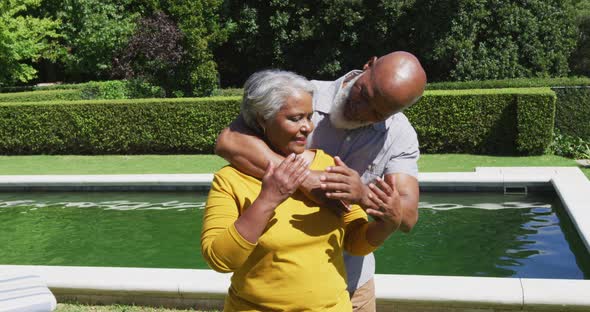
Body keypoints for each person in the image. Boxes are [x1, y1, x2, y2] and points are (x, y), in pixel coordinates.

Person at [215, 51, 427, 311]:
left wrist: (363, 195)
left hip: (353, 283)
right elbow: (229, 141)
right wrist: (307, 179)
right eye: (364, 94)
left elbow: (407, 216)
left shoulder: (400, 135)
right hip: (272, 283)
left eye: (377, 113)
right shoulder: (300, 95)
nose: (362, 111)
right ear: (368, 64)